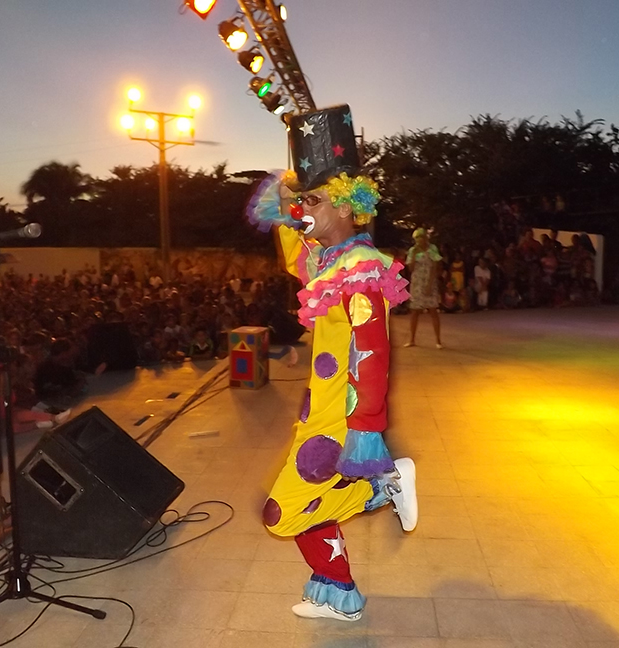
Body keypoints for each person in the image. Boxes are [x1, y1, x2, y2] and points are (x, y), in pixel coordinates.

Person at [246, 104, 418, 623]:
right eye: (302, 202)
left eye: (314, 202)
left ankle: (380, 486)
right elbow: (292, 251)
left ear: (347, 208)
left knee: (281, 513)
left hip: (339, 419)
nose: (303, 211)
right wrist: (286, 200)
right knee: (309, 506)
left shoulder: (360, 269)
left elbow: (373, 353)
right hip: (317, 409)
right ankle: (338, 592)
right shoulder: (330, 262)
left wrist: (365, 430)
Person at [404, 228, 443, 348]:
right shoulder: (412, 250)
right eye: (416, 238)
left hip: (429, 282)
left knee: (433, 310)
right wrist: (414, 255)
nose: (418, 240)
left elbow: (435, 267)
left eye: (420, 238)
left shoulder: (432, 249)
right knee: (415, 312)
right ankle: (412, 339)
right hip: (417, 283)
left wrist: (430, 284)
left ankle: (438, 340)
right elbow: (410, 269)